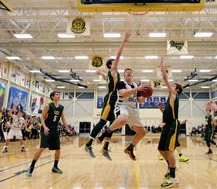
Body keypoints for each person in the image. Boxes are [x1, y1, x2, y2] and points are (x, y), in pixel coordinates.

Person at [82, 31, 132, 160]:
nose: (116, 61)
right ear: (111, 64)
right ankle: (88, 144)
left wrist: (101, 74)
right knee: (102, 122)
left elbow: (108, 79)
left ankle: (105, 148)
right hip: (111, 99)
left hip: (116, 100)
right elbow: (118, 55)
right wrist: (124, 41)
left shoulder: (112, 75)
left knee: (112, 124)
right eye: (114, 61)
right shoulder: (113, 70)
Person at [99, 67, 149, 161]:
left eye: (131, 72)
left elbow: (139, 101)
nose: (129, 73)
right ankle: (106, 132)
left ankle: (130, 148)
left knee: (142, 132)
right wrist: (138, 88)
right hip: (122, 106)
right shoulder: (121, 83)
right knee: (123, 120)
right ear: (124, 75)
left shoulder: (135, 85)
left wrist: (146, 96)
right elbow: (124, 94)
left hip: (133, 109)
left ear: (132, 75)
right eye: (127, 72)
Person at [26, 91, 72, 177]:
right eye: (57, 94)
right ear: (52, 97)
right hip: (46, 129)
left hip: (54, 130)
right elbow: (42, 118)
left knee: (58, 149)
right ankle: (31, 167)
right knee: (42, 148)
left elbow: (63, 119)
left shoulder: (61, 107)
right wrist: (45, 127)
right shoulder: (48, 106)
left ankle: (55, 167)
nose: (58, 96)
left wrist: (67, 128)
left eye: (59, 94)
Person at [158, 57, 183, 188]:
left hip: (173, 125)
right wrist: (162, 110)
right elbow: (168, 115)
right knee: (161, 149)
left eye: (174, 86)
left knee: (169, 150)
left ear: (177, 90)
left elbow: (165, 79)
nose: (171, 86)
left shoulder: (174, 95)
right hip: (167, 125)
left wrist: (162, 66)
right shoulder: (170, 100)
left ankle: (173, 178)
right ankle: (173, 166)